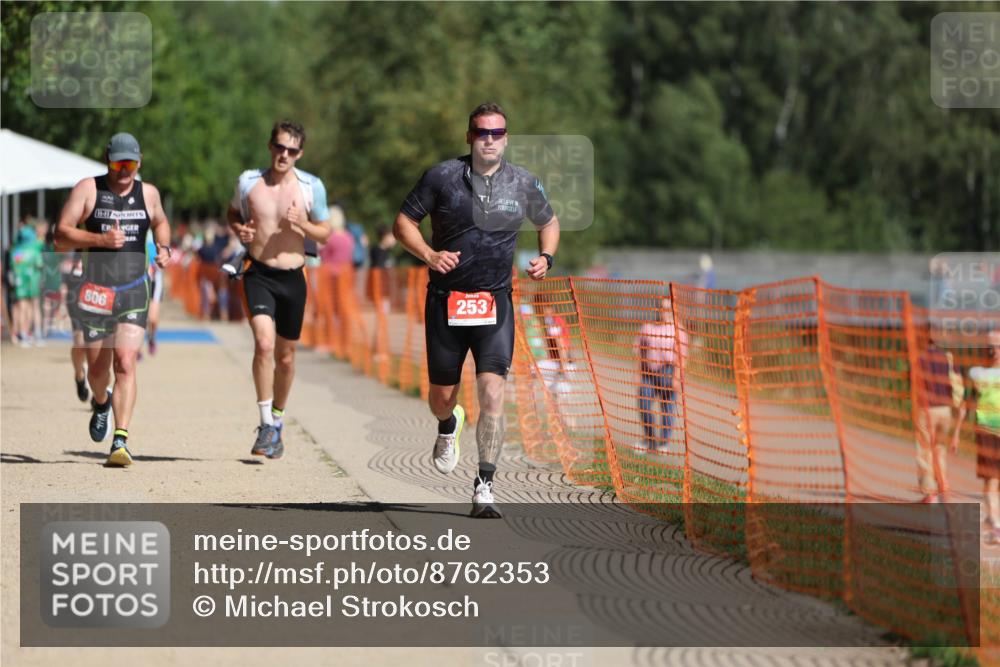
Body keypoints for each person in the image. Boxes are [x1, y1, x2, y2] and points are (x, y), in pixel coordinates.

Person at [393, 101, 560, 518]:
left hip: (495, 303)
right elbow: (403, 223)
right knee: (440, 399)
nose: (490, 139)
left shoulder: (522, 183)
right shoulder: (442, 177)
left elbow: (549, 223)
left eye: (497, 133)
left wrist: (546, 257)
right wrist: (429, 255)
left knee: (493, 392)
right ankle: (448, 425)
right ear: (469, 136)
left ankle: (484, 485)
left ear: (506, 138)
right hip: (445, 303)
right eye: (482, 132)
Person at [54, 132, 171, 466]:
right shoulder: (88, 189)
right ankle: (101, 401)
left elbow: (161, 222)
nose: (124, 171)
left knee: (125, 361)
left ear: (139, 161)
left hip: (135, 288)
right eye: (118, 163)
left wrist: (164, 248)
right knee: (98, 370)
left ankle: (120, 440)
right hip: (96, 291)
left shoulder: (148, 193)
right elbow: (60, 232)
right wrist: (99, 240)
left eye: (130, 164)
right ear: (108, 159)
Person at [226, 120, 332, 460]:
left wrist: (303, 224)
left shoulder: (311, 186)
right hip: (258, 272)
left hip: (293, 277)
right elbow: (231, 213)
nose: (284, 155)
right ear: (270, 146)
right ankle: (264, 424)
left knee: (285, 358)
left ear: (300, 153)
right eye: (279, 147)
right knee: (264, 344)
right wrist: (239, 229)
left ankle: (278, 419)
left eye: (292, 150)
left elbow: (326, 232)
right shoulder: (248, 182)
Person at [956, 330, 1000, 542]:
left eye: (998, 346)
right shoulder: (979, 375)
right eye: (991, 346)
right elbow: (966, 405)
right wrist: (956, 433)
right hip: (986, 433)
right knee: (991, 479)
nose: (994, 351)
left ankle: (993, 523)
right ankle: (995, 525)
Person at [634, 297, 688, 453]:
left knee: (667, 408)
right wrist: (638, 373)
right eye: (662, 308)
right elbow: (639, 351)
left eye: (667, 309)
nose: (664, 312)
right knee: (644, 404)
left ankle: (663, 443)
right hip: (648, 372)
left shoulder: (678, 330)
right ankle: (649, 440)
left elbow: (681, 357)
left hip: (668, 371)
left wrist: (676, 378)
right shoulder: (647, 327)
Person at [915, 337, 964, 503]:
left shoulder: (920, 358)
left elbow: (914, 385)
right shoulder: (948, 358)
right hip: (945, 411)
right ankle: (944, 488)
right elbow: (957, 385)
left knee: (925, 450)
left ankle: (930, 495)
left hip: (927, 409)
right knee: (940, 451)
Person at [60, 250, 90, 401]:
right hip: (76, 296)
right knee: (80, 343)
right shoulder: (73, 245)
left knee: (97, 346)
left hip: (98, 294)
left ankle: (98, 395)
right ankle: (79, 374)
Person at [9, 223, 43, 346]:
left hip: (19, 283)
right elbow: (39, 265)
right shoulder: (35, 250)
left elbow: (13, 267)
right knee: (34, 307)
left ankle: (23, 334)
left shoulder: (15, 251)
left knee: (22, 307)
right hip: (33, 282)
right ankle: (37, 334)